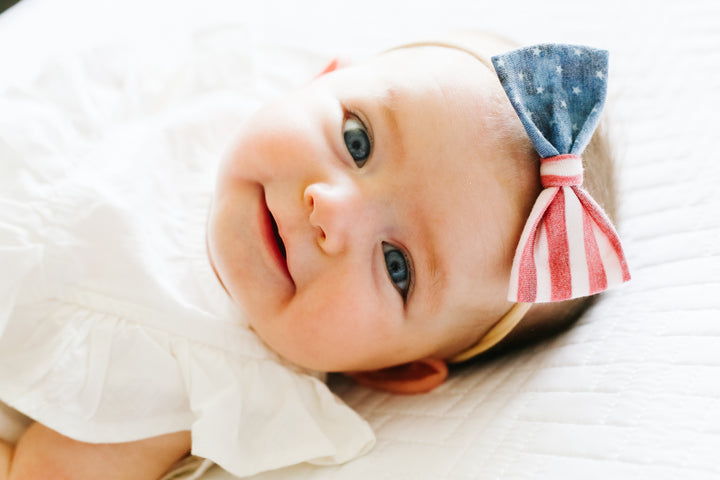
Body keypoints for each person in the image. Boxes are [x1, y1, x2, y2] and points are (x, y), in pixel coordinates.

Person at [0, 31, 629, 480]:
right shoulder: (216, 95)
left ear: (392, 370)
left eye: (397, 267)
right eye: (357, 141)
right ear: (320, 78)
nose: (331, 210)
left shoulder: (198, 374)